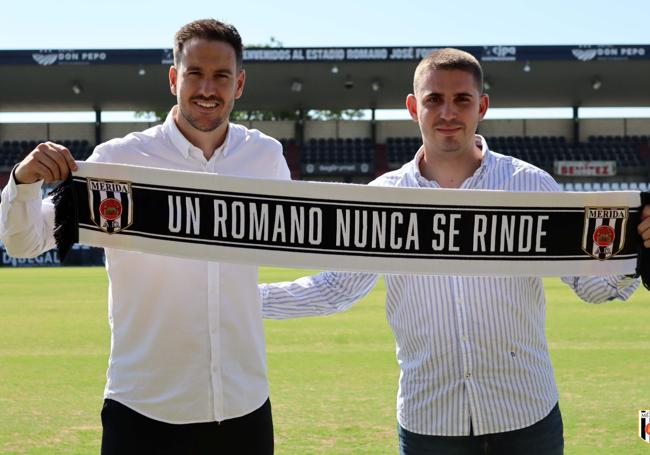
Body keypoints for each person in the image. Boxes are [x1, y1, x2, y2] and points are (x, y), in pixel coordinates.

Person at [260, 48, 650, 454]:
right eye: (434, 99)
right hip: (430, 421)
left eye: (462, 99)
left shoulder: (531, 187)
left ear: (481, 105)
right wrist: (242, 299)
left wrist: (635, 249)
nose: (448, 112)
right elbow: (334, 290)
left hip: (526, 415)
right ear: (413, 107)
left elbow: (590, 285)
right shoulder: (384, 199)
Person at [0, 19, 289, 454]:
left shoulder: (265, 157)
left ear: (240, 83)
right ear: (174, 78)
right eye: (195, 73)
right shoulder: (118, 159)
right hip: (143, 411)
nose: (207, 88)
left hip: (243, 407)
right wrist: (23, 182)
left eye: (221, 76)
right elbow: (25, 242)